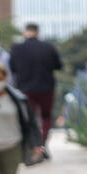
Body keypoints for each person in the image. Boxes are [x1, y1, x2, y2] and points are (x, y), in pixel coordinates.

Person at [9, 22, 63, 153]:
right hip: (46, 88)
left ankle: (32, 144)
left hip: (25, 89)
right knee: (46, 117)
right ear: (37, 32)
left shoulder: (16, 48)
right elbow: (58, 66)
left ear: (24, 32)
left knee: (27, 117)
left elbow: (12, 68)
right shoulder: (49, 47)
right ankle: (42, 144)